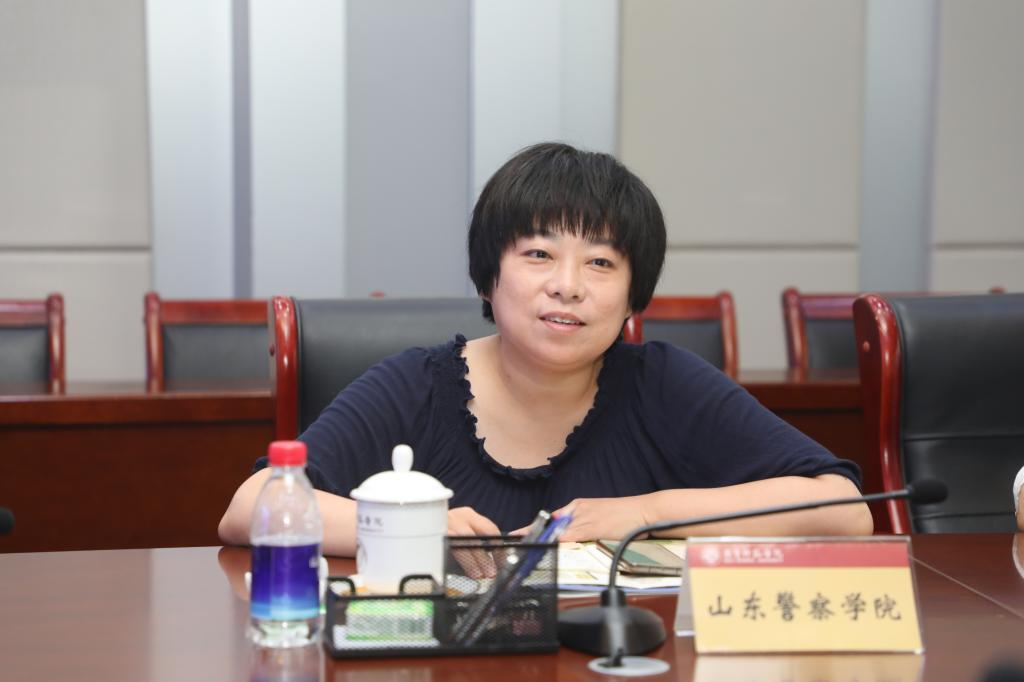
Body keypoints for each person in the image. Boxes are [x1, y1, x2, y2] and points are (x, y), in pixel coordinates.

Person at [219, 143, 872, 556]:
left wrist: (649, 513)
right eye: (538, 254)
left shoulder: (665, 383)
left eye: (601, 263)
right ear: (489, 276)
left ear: (633, 294)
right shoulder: (416, 384)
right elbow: (249, 509)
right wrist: (415, 528)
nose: (568, 285)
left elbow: (843, 510)